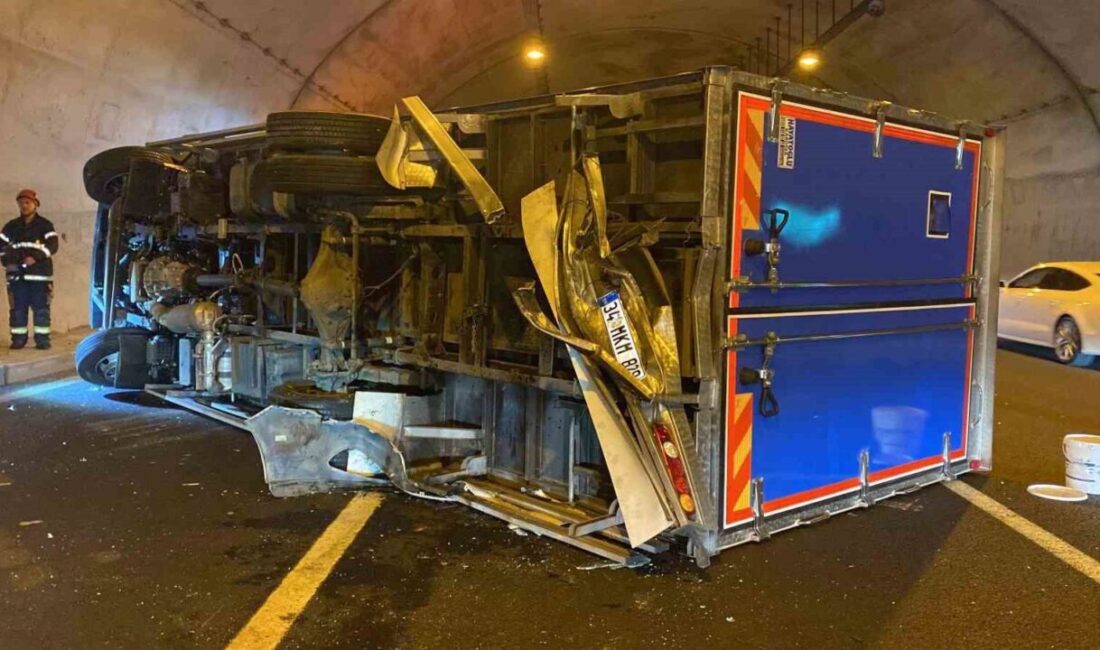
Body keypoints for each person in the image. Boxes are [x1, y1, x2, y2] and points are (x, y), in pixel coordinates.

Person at [2, 189, 58, 350]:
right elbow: (2, 247)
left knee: (41, 310)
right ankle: (18, 340)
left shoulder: (45, 225)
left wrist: (36, 257)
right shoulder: (11, 227)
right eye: (21, 203)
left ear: (35, 204)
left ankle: (42, 340)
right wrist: (8, 263)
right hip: (17, 277)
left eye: (27, 203)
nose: (24, 206)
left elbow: (53, 246)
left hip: (40, 277)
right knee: (18, 310)